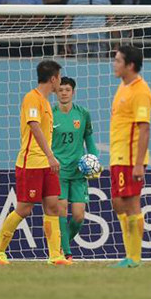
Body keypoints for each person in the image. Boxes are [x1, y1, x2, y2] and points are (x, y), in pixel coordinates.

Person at [0, 60, 69, 266]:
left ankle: (55, 256)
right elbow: (34, 126)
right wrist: (51, 155)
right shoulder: (31, 99)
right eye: (59, 77)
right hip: (30, 163)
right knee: (24, 208)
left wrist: (50, 158)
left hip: (46, 164)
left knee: (53, 206)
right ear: (53, 79)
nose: (60, 82)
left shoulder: (45, 102)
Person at [109, 45, 151, 268]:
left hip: (129, 159)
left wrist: (138, 164)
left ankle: (135, 258)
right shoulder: (123, 87)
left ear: (130, 65)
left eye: (118, 61)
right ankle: (129, 255)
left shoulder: (140, 91)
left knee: (131, 204)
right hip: (118, 156)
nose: (114, 64)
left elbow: (144, 129)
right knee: (119, 203)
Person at [52, 77, 99, 262]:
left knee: (79, 216)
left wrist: (94, 160)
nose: (64, 92)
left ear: (73, 92)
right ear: (56, 92)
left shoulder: (83, 113)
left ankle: (60, 247)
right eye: (61, 89)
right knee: (61, 210)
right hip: (58, 171)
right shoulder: (50, 113)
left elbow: (89, 139)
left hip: (79, 171)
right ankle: (67, 253)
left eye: (67, 89)